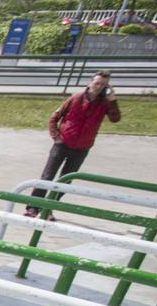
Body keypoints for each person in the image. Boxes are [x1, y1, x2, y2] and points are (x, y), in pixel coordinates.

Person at [26, 71, 122, 218]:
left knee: (66, 180)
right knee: (47, 176)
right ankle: (33, 207)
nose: (99, 87)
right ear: (90, 83)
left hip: (82, 147)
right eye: (97, 83)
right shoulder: (76, 98)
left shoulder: (105, 103)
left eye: (103, 84)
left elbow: (115, 119)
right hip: (63, 143)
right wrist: (56, 137)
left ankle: (49, 207)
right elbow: (54, 118)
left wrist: (113, 100)